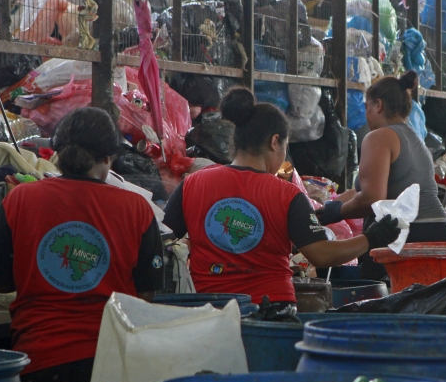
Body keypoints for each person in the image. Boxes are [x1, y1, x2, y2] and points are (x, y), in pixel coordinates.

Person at [0, 107, 164, 382]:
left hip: (39, 364)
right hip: (110, 366)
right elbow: (145, 295)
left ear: (56, 153)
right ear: (108, 159)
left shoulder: (20, 199)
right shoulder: (137, 208)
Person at [162, 87, 400, 307]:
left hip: (207, 310)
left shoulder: (192, 184)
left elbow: (163, 238)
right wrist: (371, 238)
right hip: (271, 309)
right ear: (275, 141)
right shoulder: (287, 194)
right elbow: (322, 254)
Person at [316, 71, 446, 280]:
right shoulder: (415, 139)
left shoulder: (379, 136)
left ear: (378, 105)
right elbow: (368, 189)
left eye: (366, 107)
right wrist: (328, 204)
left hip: (408, 234)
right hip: (437, 230)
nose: (366, 115)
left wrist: (338, 212)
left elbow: (372, 198)